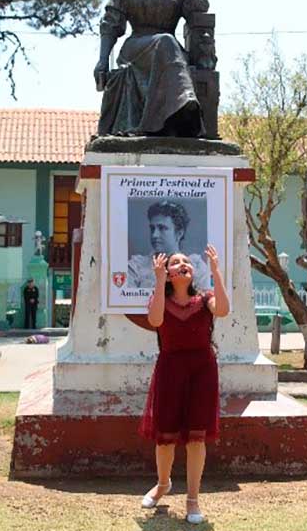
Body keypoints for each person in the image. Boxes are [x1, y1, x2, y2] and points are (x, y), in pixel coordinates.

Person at [139, 245, 229, 524]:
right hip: (170, 369)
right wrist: (158, 281)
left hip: (202, 370)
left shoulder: (205, 298)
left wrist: (216, 272)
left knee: (196, 437)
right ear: (168, 273)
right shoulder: (159, 299)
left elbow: (223, 310)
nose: (182, 264)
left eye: (186, 261)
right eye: (175, 262)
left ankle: (193, 499)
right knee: (165, 437)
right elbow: (155, 320)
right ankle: (162, 484)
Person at [94, 0, 208, 137]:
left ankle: (174, 113)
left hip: (169, 51)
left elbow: (200, 6)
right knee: (166, 41)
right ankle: (185, 102)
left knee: (166, 42)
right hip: (136, 49)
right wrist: (102, 60)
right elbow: (110, 25)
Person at [128, 201, 208, 289]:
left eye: (162, 228)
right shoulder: (136, 267)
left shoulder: (196, 267)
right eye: (152, 228)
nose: (154, 235)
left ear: (179, 233)